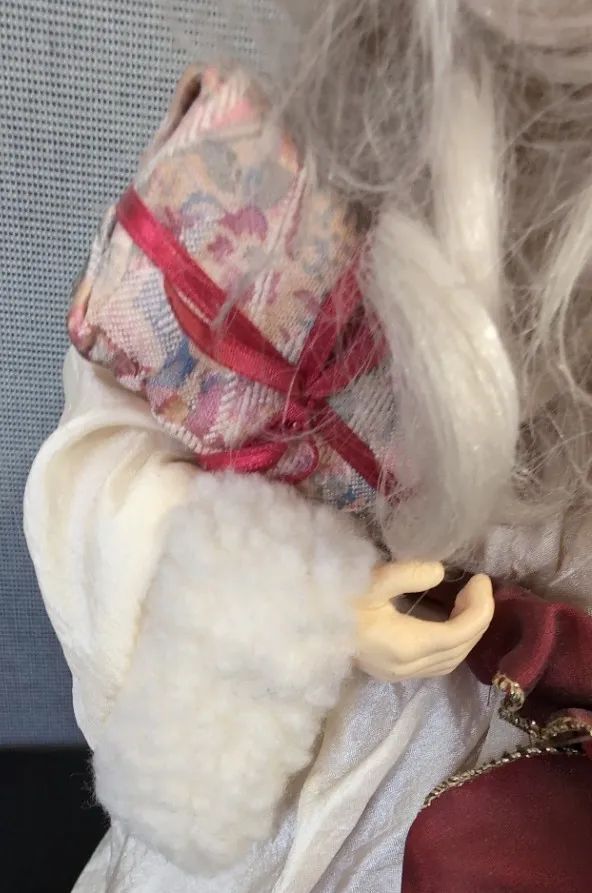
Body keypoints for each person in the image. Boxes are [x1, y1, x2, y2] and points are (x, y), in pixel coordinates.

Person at [24, 3, 592, 891]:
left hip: (527, 736)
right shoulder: (251, 211)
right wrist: (320, 606)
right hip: (324, 734)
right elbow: (94, 489)